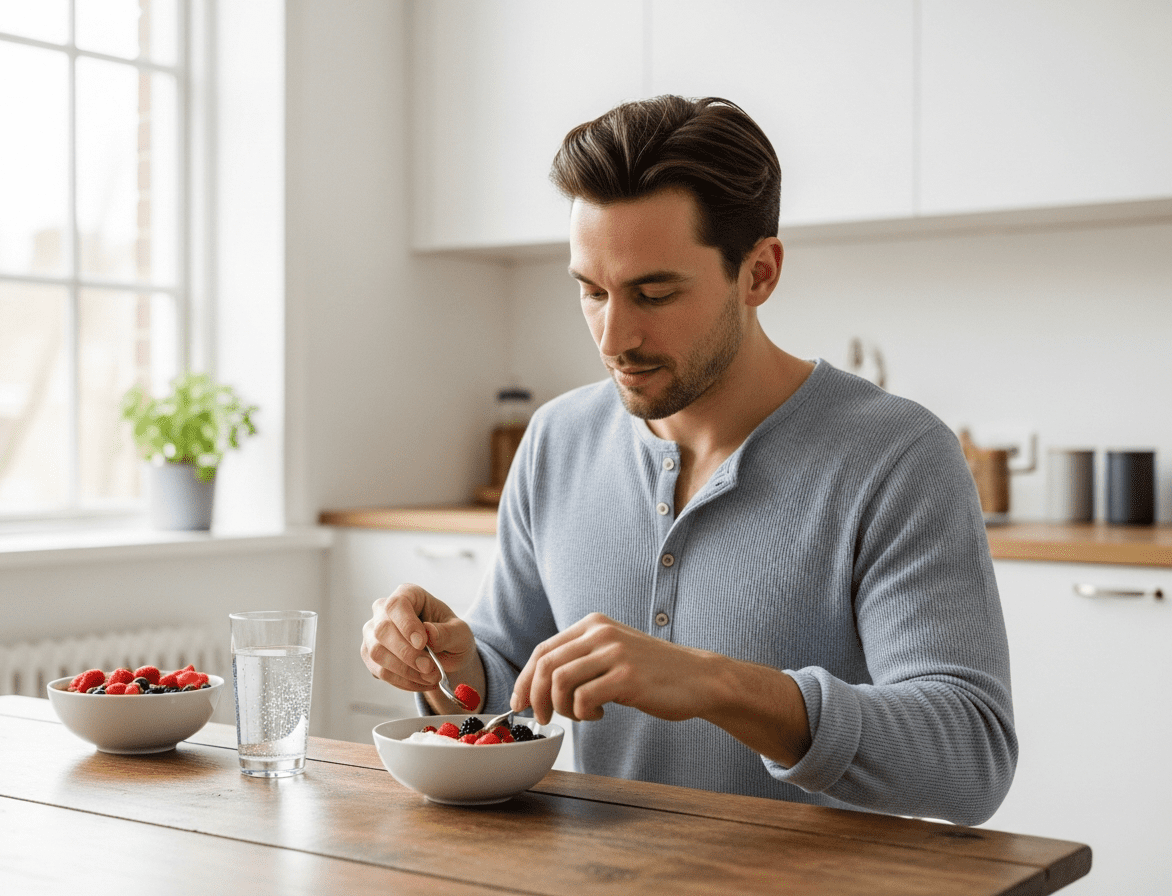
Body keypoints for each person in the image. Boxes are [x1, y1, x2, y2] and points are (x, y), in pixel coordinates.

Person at [362, 95, 1016, 826]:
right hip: (600, 875)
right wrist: (452, 663)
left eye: (653, 293)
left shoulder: (897, 457)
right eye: (592, 291)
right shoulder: (556, 440)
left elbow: (972, 760)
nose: (613, 337)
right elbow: (509, 682)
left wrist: (714, 684)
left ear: (759, 273)